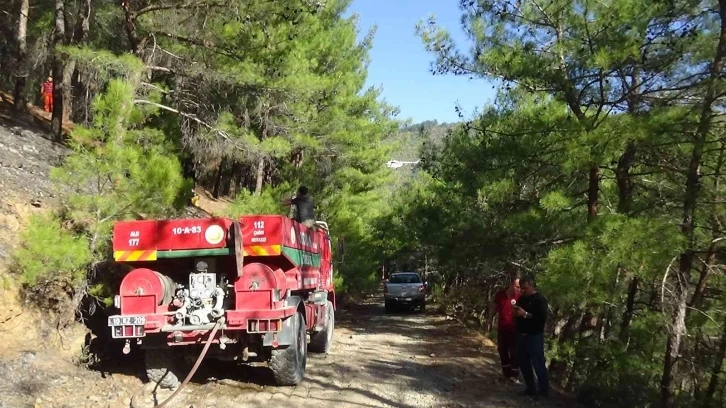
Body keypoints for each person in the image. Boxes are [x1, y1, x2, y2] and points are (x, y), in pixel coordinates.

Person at [512, 274, 550, 398]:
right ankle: (530, 388)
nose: (522, 291)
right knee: (524, 364)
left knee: (538, 364)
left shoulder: (540, 299)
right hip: (521, 335)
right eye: (521, 288)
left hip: (534, 337)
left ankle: (543, 391)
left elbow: (541, 319)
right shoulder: (521, 299)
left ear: (531, 285)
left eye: (525, 288)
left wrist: (525, 314)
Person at [486, 273, 521, 383]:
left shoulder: (520, 297)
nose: (518, 289)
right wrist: (489, 321)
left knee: (515, 352)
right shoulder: (500, 295)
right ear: (511, 284)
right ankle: (506, 374)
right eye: (517, 286)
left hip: (515, 330)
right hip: (502, 328)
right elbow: (494, 308)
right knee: (502, 351)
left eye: (520, 287)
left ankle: (514, 376)